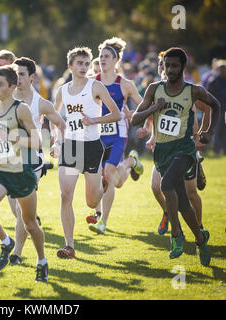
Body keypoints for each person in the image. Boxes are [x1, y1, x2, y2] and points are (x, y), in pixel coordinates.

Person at [131, 47, 220, 266]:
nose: (169, 69)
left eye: (174, 66)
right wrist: (154, 109)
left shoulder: (193, 90)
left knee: (166, 185)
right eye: (166, 65)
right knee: (182, 204)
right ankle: (200, 239)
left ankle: (176, 235)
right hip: (162, 150)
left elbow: (215, 105)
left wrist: (208, 132)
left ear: (182, 67)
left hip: (184, 148)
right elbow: (134, 119)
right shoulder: (154, 89)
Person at [0, 65, 48, 282]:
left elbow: (37, 141)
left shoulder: (21, 109)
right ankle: (6, 241)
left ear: (12, 86)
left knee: (30, 224)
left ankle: (41, 261)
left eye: (0, 84)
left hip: (20, 173)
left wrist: (12, 138)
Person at [54, 47, 121, 259]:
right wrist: (57, 142)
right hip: (71, 147)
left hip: (92, 147)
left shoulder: (96, 86)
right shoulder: (62, 90)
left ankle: (102, 183)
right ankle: (69, 246)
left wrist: (94, 120)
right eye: (79, 63)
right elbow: (56, 119)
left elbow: (117, 114)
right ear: (70, 66)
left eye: (86, 63)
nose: (83, 67)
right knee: (65, 195)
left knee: (92, 203)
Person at [6, 56, 66, 265]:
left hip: (33, 159)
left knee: (21, 209)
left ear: (32, 77)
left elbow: (60, 124)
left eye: (22, 74)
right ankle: (32, 224)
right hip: (8, 159)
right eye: (15, 73)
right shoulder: (5, 97)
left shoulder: (41, 103)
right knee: (17, 210)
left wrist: (57, 144)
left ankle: (17, 254)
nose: (18, 77)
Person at [86, 37, 144, 235]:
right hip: (96, 135)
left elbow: (142, 105)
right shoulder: (91, 82)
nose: (102, 59)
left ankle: (102, 222)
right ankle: (131, 162)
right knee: (115, 181)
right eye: (100, 56)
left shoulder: (125, 84)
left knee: (109, 173)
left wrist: (134, 115)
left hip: (117, 134)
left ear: (115, 60)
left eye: (107, 56)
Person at [208, 59, 226, 155]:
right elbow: (209, 96)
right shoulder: (213, 82)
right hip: (217, 110)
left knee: (224, 131)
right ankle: (216, 150)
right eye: (221, 68)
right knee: (217, 130)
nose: (223, 70)